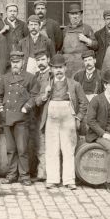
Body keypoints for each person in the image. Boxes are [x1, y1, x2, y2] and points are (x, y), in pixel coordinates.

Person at [35, 54, 88, 189]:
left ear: (65, 68)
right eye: (55, 68)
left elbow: (84, 103)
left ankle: (69, 180)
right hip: (51, 117)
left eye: (61, 67)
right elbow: (37, 101)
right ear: (51, 69)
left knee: (68, 149)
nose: (58, 70)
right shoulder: (46, 84)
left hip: (68, 117)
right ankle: (52, 179)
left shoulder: (74, 84)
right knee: (52, 149)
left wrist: (79, 117)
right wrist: (45, 95)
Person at [0, 51, 35, 186]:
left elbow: (34, 96)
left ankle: (24, 175)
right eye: (13, 62)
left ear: (22, 62)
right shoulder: (5, 78)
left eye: (18, 62)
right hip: (7, 117)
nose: (15, 65)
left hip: (22, 119)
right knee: (11, 149)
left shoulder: (30, 78)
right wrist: (0, 108)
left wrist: (27, 107)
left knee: (22, 149)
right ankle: (12, 174)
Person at [29, 51, 52, 182]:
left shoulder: (51, 75)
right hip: (38, 115)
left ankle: (46, 173)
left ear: (48, 59)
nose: (40, 63)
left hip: (48, 114)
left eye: (43, 59)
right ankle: (42, 171)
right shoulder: (37, 76)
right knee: (39, 143)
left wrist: (41, 98)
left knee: (45, 144)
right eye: (38, 60)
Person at [61, 4, 98, 76]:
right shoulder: (65, 30)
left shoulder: (87, 28)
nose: (75, 16)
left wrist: (87, 40)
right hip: (68, 64)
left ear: (80, 15)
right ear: (69, 16)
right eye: (72, 14)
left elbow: (96, 46)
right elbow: (61, 48)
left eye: (77, 13)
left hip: (82, 64)